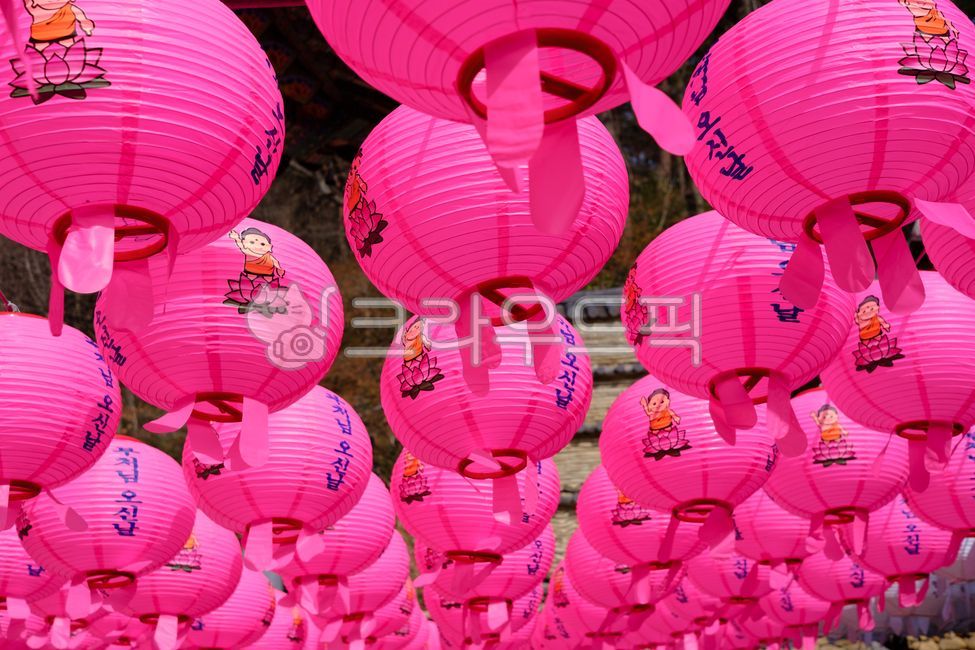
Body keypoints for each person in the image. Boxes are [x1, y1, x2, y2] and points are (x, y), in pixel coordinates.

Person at [24, 0, 95, 52]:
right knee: (39, 53)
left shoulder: (70, 8)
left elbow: (83, 19)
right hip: (41, 37)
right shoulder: (35, 10)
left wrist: (86, 24)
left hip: (66, 35)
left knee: (70, 50)